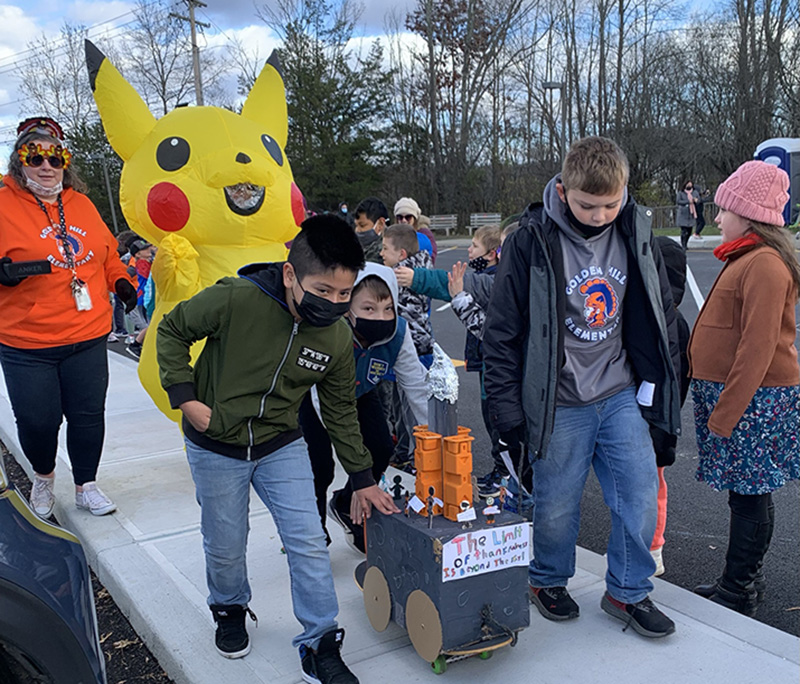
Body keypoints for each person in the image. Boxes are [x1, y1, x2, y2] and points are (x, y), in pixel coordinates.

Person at [156, 214, 397, 680]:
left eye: (344, 294)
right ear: (291, 275)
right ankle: (229, 607)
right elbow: (172, 330)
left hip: (281, 443)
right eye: (322, 291)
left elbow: (341, 409)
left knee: (307, 541)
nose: (333, 303)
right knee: (226, 544)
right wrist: (186, 399)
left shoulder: (336, 335)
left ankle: (320, 640)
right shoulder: (236, 298)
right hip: (215, 444)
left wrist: (363, 478)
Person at [483, 136, 680, 639]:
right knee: (555, 506)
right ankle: (547, 579)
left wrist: (665, 396)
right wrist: (505, 410)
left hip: (619, 392)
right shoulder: (531, 239)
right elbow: (502, 331)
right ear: (563, 189)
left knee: (637, 497)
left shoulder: (636, 229)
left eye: (610, 204)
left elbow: (660, 318)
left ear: (625, 192)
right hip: (560, 401)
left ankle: (629, 591)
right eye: (588, 204)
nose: (599, 215)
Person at [0, 116, 137, 519]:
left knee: (88, 415)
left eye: (55, 157)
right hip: (27, 342)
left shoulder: (81, 203)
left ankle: (86, 485)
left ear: (65, 161)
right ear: (19, 160)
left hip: (87, 334)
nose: (46, 165)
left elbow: (107, 254)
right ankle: (43, 477)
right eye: (35, 156)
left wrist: (122, 282)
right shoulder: (3, 203)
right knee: (37, 422)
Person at [688, 160, 799, 616]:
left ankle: (739, 587)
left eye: (723, 210)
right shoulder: (749, 258)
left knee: (751, 494)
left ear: (748, 214)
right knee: (747, 493)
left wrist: (726, 413)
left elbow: (757, 348)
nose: (716, 218)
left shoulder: (765, 265)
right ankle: (741, 580)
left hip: (754, 402)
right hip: (746, 402)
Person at [299, 263, 428, 552]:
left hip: (362, 391)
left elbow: (416, 389)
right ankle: (312, 534)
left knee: (381, 449)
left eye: (387, 309)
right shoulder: (330, 331)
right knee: (319, 465)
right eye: (368, 309)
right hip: (315, 396)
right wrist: (359, 476)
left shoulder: (398, 333)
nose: (380, 317)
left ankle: (345, 505)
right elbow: (327, 407)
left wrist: (431, 440)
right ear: (348, 308)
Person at [394, 225, 510, 495]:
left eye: (474, 246)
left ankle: (506, 477)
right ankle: (504, 472)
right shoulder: (494, 276)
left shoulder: (496, 282)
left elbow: (480, 326)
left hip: (496, 368)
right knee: (494, 419)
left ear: (492, 254)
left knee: (499, 422)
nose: (469, 250)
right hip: (487, 364)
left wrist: (417, 279)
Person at [649, 236, 692, 576]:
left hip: (655, 424)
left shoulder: (668, 326)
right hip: (660, 422)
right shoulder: (676, 323)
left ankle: (654, 548)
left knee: (650, 489)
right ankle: (650, 545)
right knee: (649, 488)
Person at [394, 197, 437, 263]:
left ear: (415, 219)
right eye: (400, 217)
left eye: (408, 217)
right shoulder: (392, 235)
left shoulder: (424, 235)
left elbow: (431, 258)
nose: (404, 220)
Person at [352, 197, 388, 264]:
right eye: (356, 226)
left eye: (362, 225)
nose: (357, 230)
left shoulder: (384, 255)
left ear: (380, 224)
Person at [676, 180, 699, 250]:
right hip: (683, 214)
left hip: (691, 214)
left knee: (689, 231)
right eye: (688, 184)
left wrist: (696, 200)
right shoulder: (681, 193)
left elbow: (699, 199)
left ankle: (686, 243)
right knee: (684, 231)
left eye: (690, 184)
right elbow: (678, 201)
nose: (689, 185)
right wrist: (688, 201)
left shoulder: (694, 192)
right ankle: (683, 244)